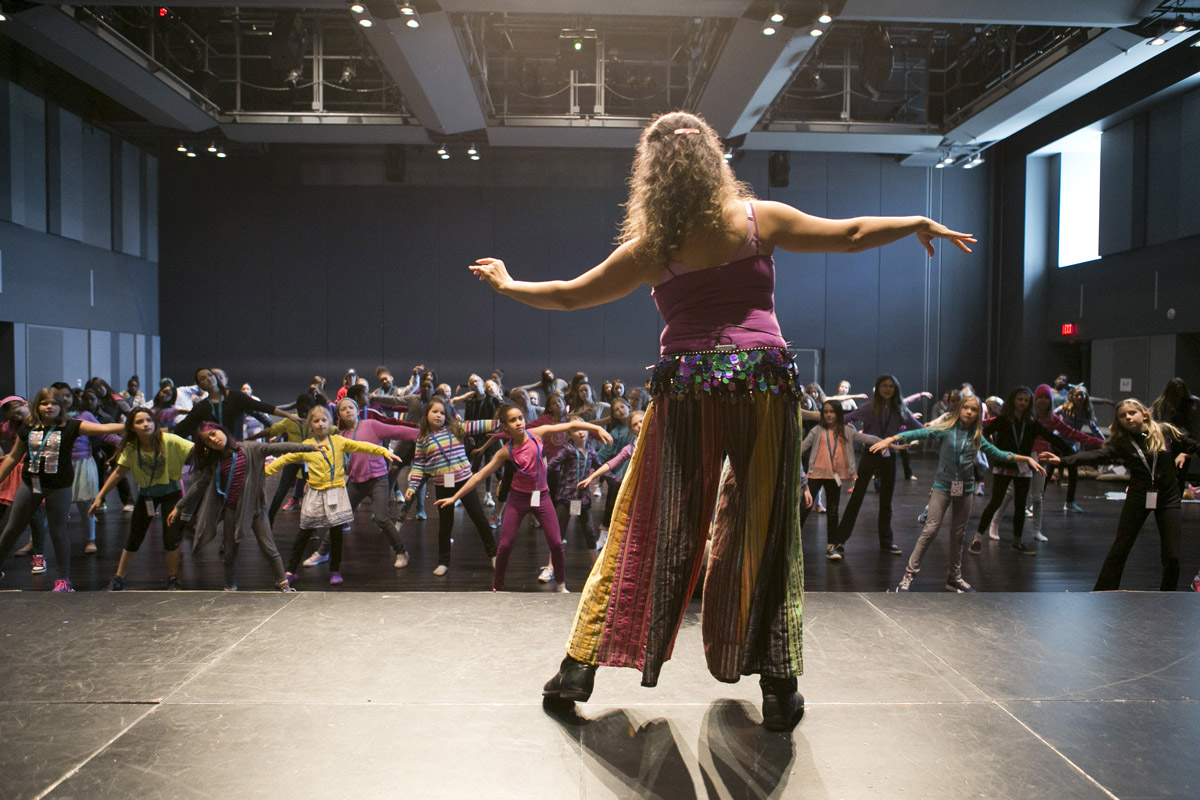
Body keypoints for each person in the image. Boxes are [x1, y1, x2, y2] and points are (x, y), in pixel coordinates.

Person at [466, 110, 975, 731]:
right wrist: (913, 221)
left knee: (646, 522)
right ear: (715, 163)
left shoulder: (652, 248)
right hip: (763, 382)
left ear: (653, 175)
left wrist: (509, 285)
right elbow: (849, 233)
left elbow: (571, 294)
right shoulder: (757, 220)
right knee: (766, 526)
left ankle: (579, 668)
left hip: (686, 387)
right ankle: (780, 684)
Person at [871, 395, 1044, 592]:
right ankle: (908, 576)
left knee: (958, 534)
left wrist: (1027, 459)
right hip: (942, 486)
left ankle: (954, 577)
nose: (969, 412)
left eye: (974, 410)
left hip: (966, 489)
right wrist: (891, 439)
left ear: (979, 413)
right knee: (930, 530)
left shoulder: (977, 436)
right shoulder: (946, 429)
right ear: (959, 409)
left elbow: (999, 453)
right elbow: (920, 433)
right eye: (966, 408)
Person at [434, 404, 610, 592]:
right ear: (505, 427)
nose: (518, 423)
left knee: (557, 542)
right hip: (518, 499)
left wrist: (597, 428)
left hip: (541, 496)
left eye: (520, 418)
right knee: (505, 544)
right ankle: (497, 587)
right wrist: (454, 497)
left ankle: (560, 584)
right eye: (512, 420)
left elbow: (568, 426)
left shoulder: (537, 433)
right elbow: (478, 476)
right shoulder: (505, 452)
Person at [1039, 398, 1200, 591]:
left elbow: (1194, 446)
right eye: (1123, 416)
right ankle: (1103, 591)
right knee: (1121, 547)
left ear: (1145, 414)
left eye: (1132, 413)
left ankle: (1169, 594)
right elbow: (1097, 455)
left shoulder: (1166, 433)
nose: (1128, 417)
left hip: (1168, 498)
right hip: (1139, 497)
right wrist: (1063, 460)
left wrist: (1186, 453)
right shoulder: (1123, 443)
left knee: (1172, 554)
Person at [0, 388, 124, 591]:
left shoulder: (71, 426)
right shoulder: (28, 428)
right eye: (44, 403)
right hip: (30, 483)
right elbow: (14, 457)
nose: (49, 407)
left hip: (58, 487)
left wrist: (132, 425)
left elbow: (103, 429)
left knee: (58, 532)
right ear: (36, 406)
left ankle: (63, 579)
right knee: (12, 528)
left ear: (61, 407)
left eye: (54, 403)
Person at [168, 422, 316, 592]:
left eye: (214, 434)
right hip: (232, 510)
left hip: (255, 510)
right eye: (208, 441)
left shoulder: (250, 448)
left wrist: (311, 447)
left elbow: (281, 447)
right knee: (229, 552)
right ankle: (230, 587)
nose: (214, 440)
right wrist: (179, 506)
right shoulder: (215, 461)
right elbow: (199, 486)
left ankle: (283, 584)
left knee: (269, 549)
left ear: (223, 431)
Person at [264, 405, 401, 586]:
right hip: (315, 493)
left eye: (323, 420)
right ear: (310, 425)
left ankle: (335, 570)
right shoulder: (306, 446)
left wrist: (384, 451)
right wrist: (265, 472)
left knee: (337, 534)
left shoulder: (338, 441)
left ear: (329, 423)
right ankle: (290, 570)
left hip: (336, 492)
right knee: (304, 532)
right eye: (316, 421)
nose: (320, 424)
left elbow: (362, 446)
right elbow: (285, 458)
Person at [90, 408, 194, 590]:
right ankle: (118, 578)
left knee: (171, 537)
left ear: (155, 422)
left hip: (172, 493)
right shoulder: (131, 448)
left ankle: (172, 579)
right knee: (134, 536)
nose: (145, 424)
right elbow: (119, 472)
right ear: (132, 427)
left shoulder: (168, 440)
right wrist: (100, 496)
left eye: (148, 420)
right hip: (147, 494)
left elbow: (196, 451)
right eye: (139, 422)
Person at [836, 375, 925, 555]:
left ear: (895, 389)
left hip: (890, 456)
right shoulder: (869, 407)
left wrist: (906, 438)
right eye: (884, 386)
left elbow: (921, 429)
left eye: (891, 386)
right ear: (878, 387)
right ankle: (840, 541)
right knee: (856, 498)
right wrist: (854, 433)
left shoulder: (900, 410)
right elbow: (846, 419)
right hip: (870, 454)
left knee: (886, 501)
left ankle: (887, 542)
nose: (887, 389)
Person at [799, 400, 885, 561]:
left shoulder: (846, 431)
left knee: (832, 511)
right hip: (815, 475)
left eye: (832, 412)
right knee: (804, 509)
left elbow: (866, 438)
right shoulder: (817, 430)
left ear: (839, 414)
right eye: (826, 412)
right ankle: (794, 544)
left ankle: (831, 547)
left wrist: (888, 442)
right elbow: (801, 448)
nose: (829, 415)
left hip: (834, 477)